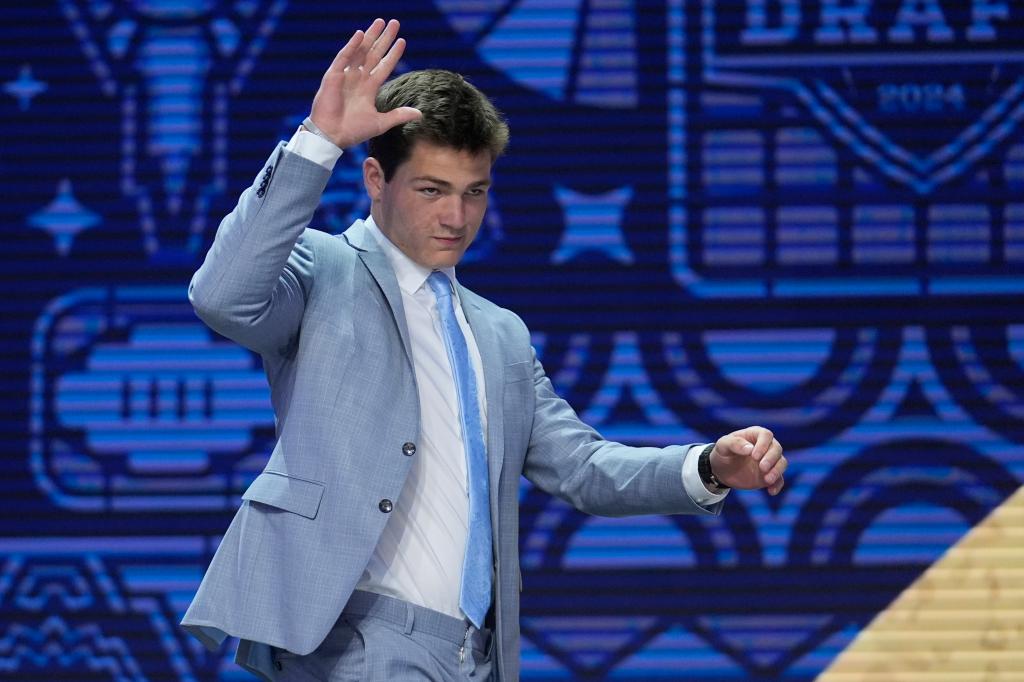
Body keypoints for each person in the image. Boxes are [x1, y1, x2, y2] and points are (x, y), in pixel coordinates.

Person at [181, 18, 787, 682]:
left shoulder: (499, 334)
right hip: (353, 640)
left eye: (475, 192)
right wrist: (317, 141)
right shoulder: (324, 268)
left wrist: (708, 467)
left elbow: (582, 468)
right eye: (432, 190)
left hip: (476, 655)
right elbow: (222, 295)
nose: (456, 217)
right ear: (376, 180)